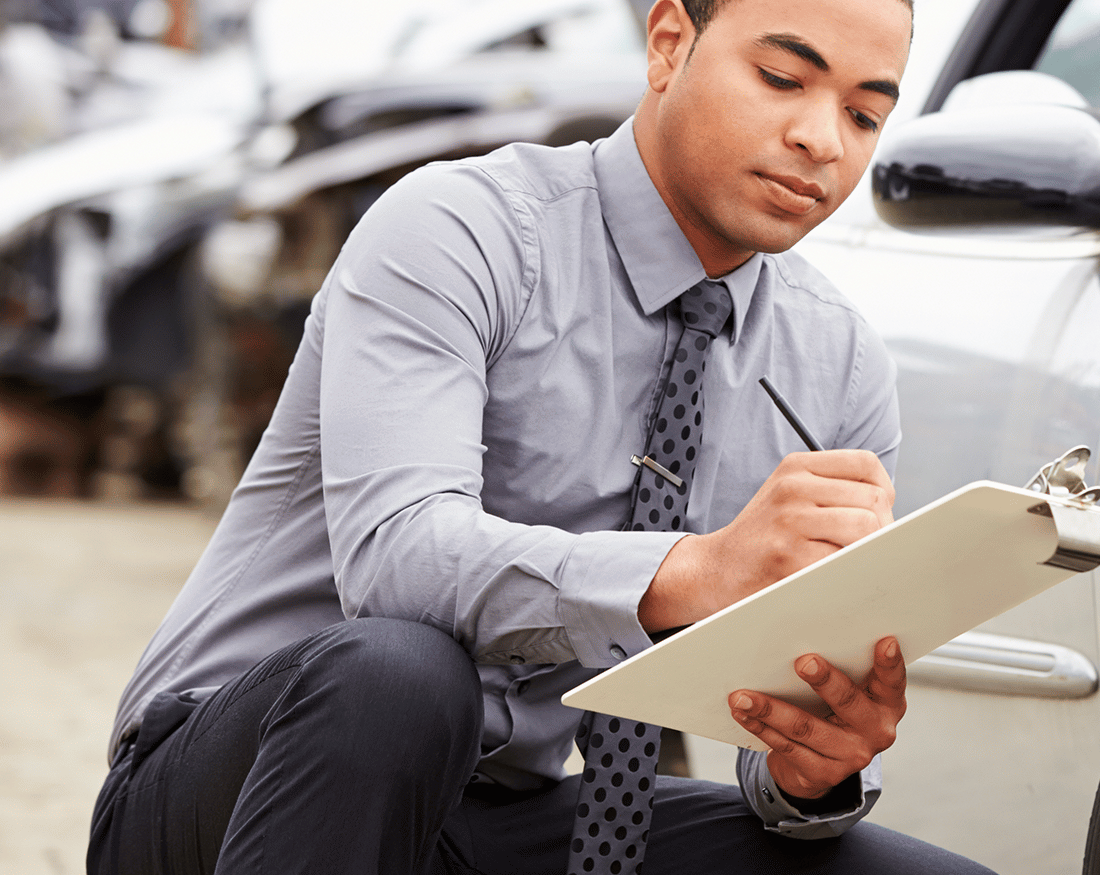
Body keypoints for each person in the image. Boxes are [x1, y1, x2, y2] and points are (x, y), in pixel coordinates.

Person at [88, 0, 996, 872]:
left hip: (497, 816)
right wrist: (697, 572)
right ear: (671, 43)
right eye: (780, 77)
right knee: (405, 679)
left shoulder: (838, 365)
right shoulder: (460, 229)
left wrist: (817, 764)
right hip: (241, 788)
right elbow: (398, 560)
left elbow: (788, 696)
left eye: (865, 114)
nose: (821, 139)